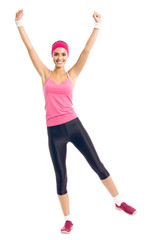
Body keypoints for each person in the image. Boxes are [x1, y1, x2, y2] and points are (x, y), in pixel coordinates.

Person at [15, 9, 136, 234]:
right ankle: (68, 219)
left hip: (74, 126)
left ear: (66, 57)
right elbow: (30, 49)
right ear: (52, 56)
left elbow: (86, 51)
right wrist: (19, 23)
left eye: (63, 54)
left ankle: (119, 201)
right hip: (54, 132)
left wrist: (97, 26)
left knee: (97, 164)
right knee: (61, 177)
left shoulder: (73, 74)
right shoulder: (44, 74)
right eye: (56, 54)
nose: (60, 58)